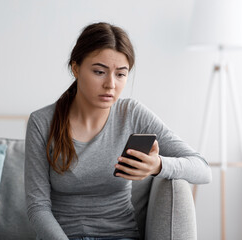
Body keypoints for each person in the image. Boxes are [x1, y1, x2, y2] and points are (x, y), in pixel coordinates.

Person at [25, 22, 212, 240]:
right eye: (99, 72)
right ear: (76, 68)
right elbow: (37, 207)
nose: (110, 85)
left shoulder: (132, 114)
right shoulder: (42, 122)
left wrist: (158, 165)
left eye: (121, 74)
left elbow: (203, 169)